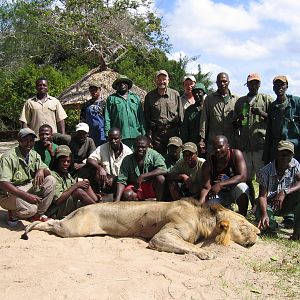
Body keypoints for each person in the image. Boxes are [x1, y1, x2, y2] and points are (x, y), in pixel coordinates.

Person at [0, 128, 56, 226]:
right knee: (31, 209)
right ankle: (13, 214)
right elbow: (4, 183)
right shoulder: (8, 157)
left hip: (26, 187)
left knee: (51, 180)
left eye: (31, 140)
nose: (28, 143)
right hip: (9, 193)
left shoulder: (34, 155)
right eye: (25, 140)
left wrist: (41, 170)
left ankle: (37, 214)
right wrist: (27, 196)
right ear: (19, 140)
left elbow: (48, 172)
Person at [234, 73, 273, 209]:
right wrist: (238, 120)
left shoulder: (266, 99)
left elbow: (274, 120)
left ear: (259, 84)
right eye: (251, 83)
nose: (253, 85)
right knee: (246, 178)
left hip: (260, 146)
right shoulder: (240, 102)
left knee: (263, 178)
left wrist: (261, 113)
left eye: (256, 83)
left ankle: (264, 206)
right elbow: (236, 124)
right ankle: (253, 205)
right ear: (247, 85)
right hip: (245, 146)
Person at [256, 140, 300, 240]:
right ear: (276, 154)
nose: (285, 158)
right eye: (282, 154)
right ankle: (271, 225)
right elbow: (262, 196)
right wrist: (264, 214)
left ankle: (297, 231)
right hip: (269, 205)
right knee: (267, 225)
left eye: (289, 155)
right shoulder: (265, 171)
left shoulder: (295, 164)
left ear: (293, 155)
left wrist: (284, 192)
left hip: (286, 203)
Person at [199, 135, 249, 216]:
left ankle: (243, 216)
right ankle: (225, 211)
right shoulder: (208, 163)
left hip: (233, 190)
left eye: (220, 147)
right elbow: (206, 188)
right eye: (215, 148)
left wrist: (221, 184)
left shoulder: (236, 154)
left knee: (242, 187)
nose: (217, 150)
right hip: (218, 194)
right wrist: (200, 205)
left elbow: (243, 176)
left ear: (228, 146)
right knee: (210, 205)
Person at [47, 145, 98, 219]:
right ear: (57, 161)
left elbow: (76, 187)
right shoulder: (53, 176)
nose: (66, 164)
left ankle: (98, 202)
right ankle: (98, 210)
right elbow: (58, 200)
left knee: (85, 185)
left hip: (67, 206)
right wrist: (76, 185)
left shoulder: (66, 175)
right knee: (78, 191)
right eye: (63, 161)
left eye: (68, 161)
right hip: (56, 210)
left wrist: (85, 186)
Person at [114, 136, 167, 201]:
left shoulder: (154, 154)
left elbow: (163, 169)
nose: (140, 149)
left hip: (151, 186)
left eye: (143, 147)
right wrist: (117, 200)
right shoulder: (127, 160)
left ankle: (159, 203)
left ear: (148, 147)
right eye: (138, 147)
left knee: (160, 178)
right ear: (133, 147)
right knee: (127, 194)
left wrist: (143, 176)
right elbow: (121, 181)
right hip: (136, 188)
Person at [144, 70, 184, 155]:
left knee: (174, 156)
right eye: (159, 79)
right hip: (157, 135)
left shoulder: (175, 94)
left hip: (173, 132)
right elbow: (146, 117)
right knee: (159, 158)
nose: (161, 82)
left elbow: (181, 115)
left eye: (164, 79)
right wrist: (148, 135)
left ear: (168, 80)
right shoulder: (149, 96)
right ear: (155, 81)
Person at [199, 72, 239, 154]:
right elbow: (204, 120)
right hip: (214, 143)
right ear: (216, 83)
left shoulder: (236, 99)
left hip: (231, 142)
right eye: (220, 82)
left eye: (225, 81)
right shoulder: (209, 99)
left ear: (229, 82)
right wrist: (202, 139)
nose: (222, 84)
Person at [263, 75, 300, 163]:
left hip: (295, 148)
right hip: (278, 149)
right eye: (276, 85)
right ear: (273, 88)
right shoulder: (272, 107)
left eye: (282, 85)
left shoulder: (296, 102)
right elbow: (269, 133)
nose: (279, 87)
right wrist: (266, 157)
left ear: (286, 86)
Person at [86, 127, 132, 194]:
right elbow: (89, 160)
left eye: (116, 139)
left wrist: (114, 179)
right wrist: (100, 168)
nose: (113, 141)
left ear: (120, 138)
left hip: (121, 182)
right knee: (95, 171)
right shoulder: (102, 148)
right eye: (111, 139)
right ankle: (98, 195)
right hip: (106, 180)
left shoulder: (128, 152)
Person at [104, 75, 145, 149]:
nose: (122, 84)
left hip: (135, 135)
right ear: (116, 86)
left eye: (124, 83)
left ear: (128, 85)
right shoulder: (111, 99)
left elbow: (141, 117)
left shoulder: (135, 98)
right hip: (119, 136)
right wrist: (108, 134)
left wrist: (144, 133)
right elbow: (107, 118)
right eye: (119, 83)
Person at [181, 82, 207, 156]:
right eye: (194, 93)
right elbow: (185, 129)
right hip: (192, 144)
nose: (197, 95)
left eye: (199, 92)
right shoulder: (189, 110)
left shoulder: (208, 108)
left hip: (206, 144)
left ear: (204, 93)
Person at [80, 81, 106, 147]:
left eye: (96, 90)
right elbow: (82, 120)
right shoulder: (86, 105)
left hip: (102, 134)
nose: (94, 92)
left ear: (100, 90)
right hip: (89, 134)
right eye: (92, 90)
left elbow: (109, 119)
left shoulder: (105, 104)